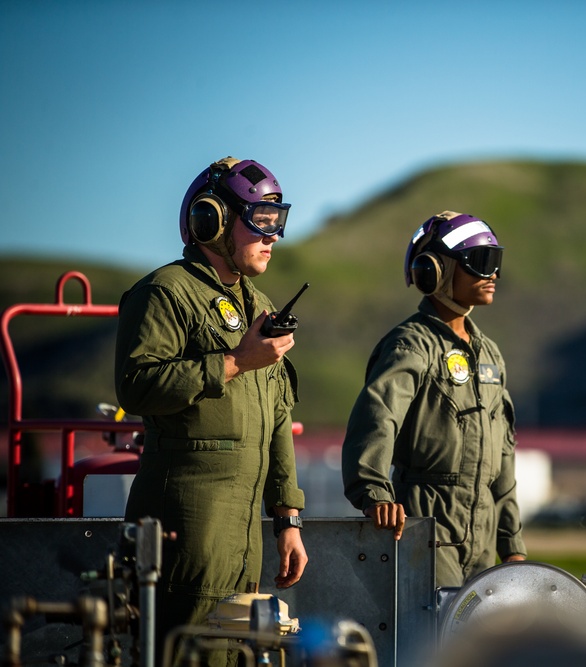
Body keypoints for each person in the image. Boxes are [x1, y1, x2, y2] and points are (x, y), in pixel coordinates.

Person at [115, 157, 308, 663]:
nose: (273, 237)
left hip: (245, 537)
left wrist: (288, 517)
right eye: (261, 222)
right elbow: (136, 386)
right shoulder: (164, 292)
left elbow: (277, 416)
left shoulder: (259, 303)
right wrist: (235, 361)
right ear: (212, 220)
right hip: (186, 530)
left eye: (278, 222)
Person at [341, 211, 527, 587]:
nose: (493, 275)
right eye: (481, 262)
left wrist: (511, 544)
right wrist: (375, 494)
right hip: (425, 528)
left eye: (497, 262)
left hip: (483, 537)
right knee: (432, 637)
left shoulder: (489, 354)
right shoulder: (410, 344)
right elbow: (378, 419)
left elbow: (503, 459)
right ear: (435, 270)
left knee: (473, 642)